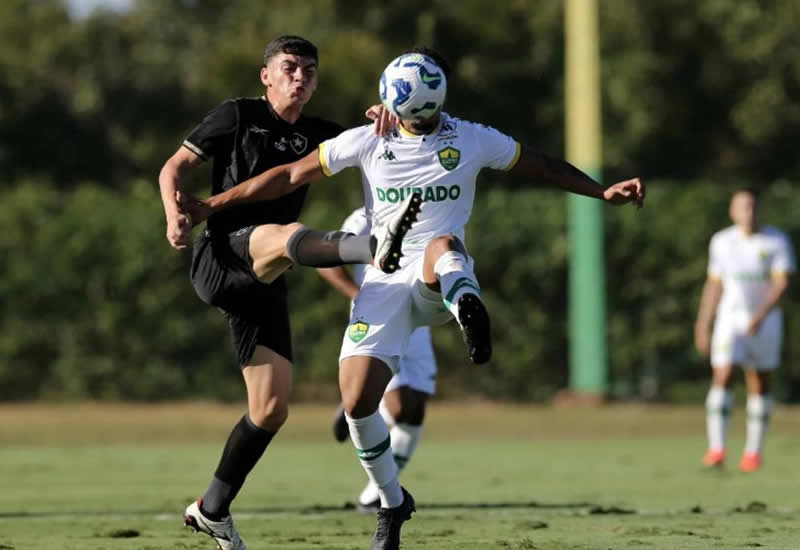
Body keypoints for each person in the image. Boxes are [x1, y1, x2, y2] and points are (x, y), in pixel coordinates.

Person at [181, 47, 644, 550]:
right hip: (381, 286)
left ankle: (465, 300)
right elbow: (289, 175)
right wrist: (211, 205)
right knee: (358, 403)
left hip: (431, 278)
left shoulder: (470, 137)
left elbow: (540, 163)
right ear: (395, 104)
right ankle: (392, 503)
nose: (421, 122)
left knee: (442, 246)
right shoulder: (364, 141)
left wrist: (601, 192)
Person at [157, 35, 415, 550]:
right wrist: (174, 215)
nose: (301, 77)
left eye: (310, 71)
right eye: (290, 68)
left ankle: (212, 510)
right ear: (266, 75)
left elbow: (377, 145)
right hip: (224, 256)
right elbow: (172, 169)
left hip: (267, 279)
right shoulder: (235, 115)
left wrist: (390, 117)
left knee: (271, 408)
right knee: (282, 235)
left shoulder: (321, 133)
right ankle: (372, 248)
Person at [319, 207, 438, 513]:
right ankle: (381, 494)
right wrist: (356, 294)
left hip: (418, 318)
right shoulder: (362, 219)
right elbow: (326, 260)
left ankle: (373, 494)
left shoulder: (432, 211)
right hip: (378, 320)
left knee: (414, 411)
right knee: (399, 407)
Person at [695, 188, 795, 472]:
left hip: (765, 321)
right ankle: (717, 449)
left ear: (760, 210)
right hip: (730, 320)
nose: (749, 213)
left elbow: (781, 284)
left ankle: (753, 453)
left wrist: (761, 314)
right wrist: (703, 323)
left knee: (759, 382)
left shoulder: (776, 241)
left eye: (753, 207)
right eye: (743, 207)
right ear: (732, 211)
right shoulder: (722, 242)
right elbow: (715, 284)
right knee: (723, 374)